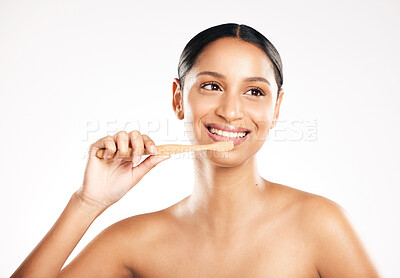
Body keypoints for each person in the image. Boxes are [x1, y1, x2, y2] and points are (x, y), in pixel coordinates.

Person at [11, 23, 380, 278]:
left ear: (277, 107)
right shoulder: (133, 242)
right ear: (178, 99)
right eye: (211, 86)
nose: (231, 111)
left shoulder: (321, 226)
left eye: (254, 92)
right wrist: (86, 203)